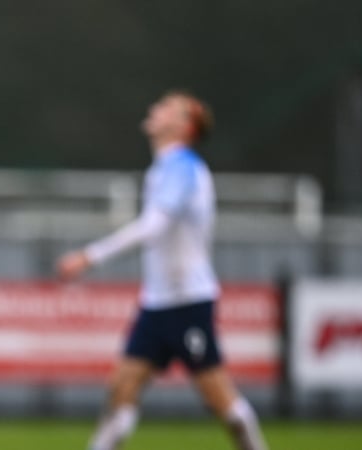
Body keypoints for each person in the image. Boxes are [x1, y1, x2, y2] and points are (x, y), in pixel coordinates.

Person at [56, 91, 268, 450]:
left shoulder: (183, 167)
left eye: (168, 107)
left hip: (188, 303)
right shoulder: (164, 168)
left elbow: (153, 227)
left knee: (223, 404)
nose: (156, 108)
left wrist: (89, 256)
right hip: (157, 304)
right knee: (121, 390)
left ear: (185, 126)